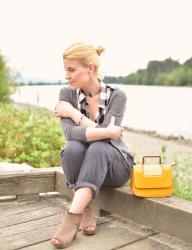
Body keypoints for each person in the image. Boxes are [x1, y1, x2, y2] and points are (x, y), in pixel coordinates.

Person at [51, 42, 134, 249]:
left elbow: (106, 142)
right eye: (66, 70)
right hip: (88, 163)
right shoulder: (67, 94)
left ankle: (72, 218)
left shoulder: (117, 95)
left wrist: (73, 114)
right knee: (71, 148)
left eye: (72, 70)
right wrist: (106, 130)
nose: (67, 76)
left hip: (117, 166)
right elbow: (70, 134)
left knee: (98, 147)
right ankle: (86, 209)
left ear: (90, 68)